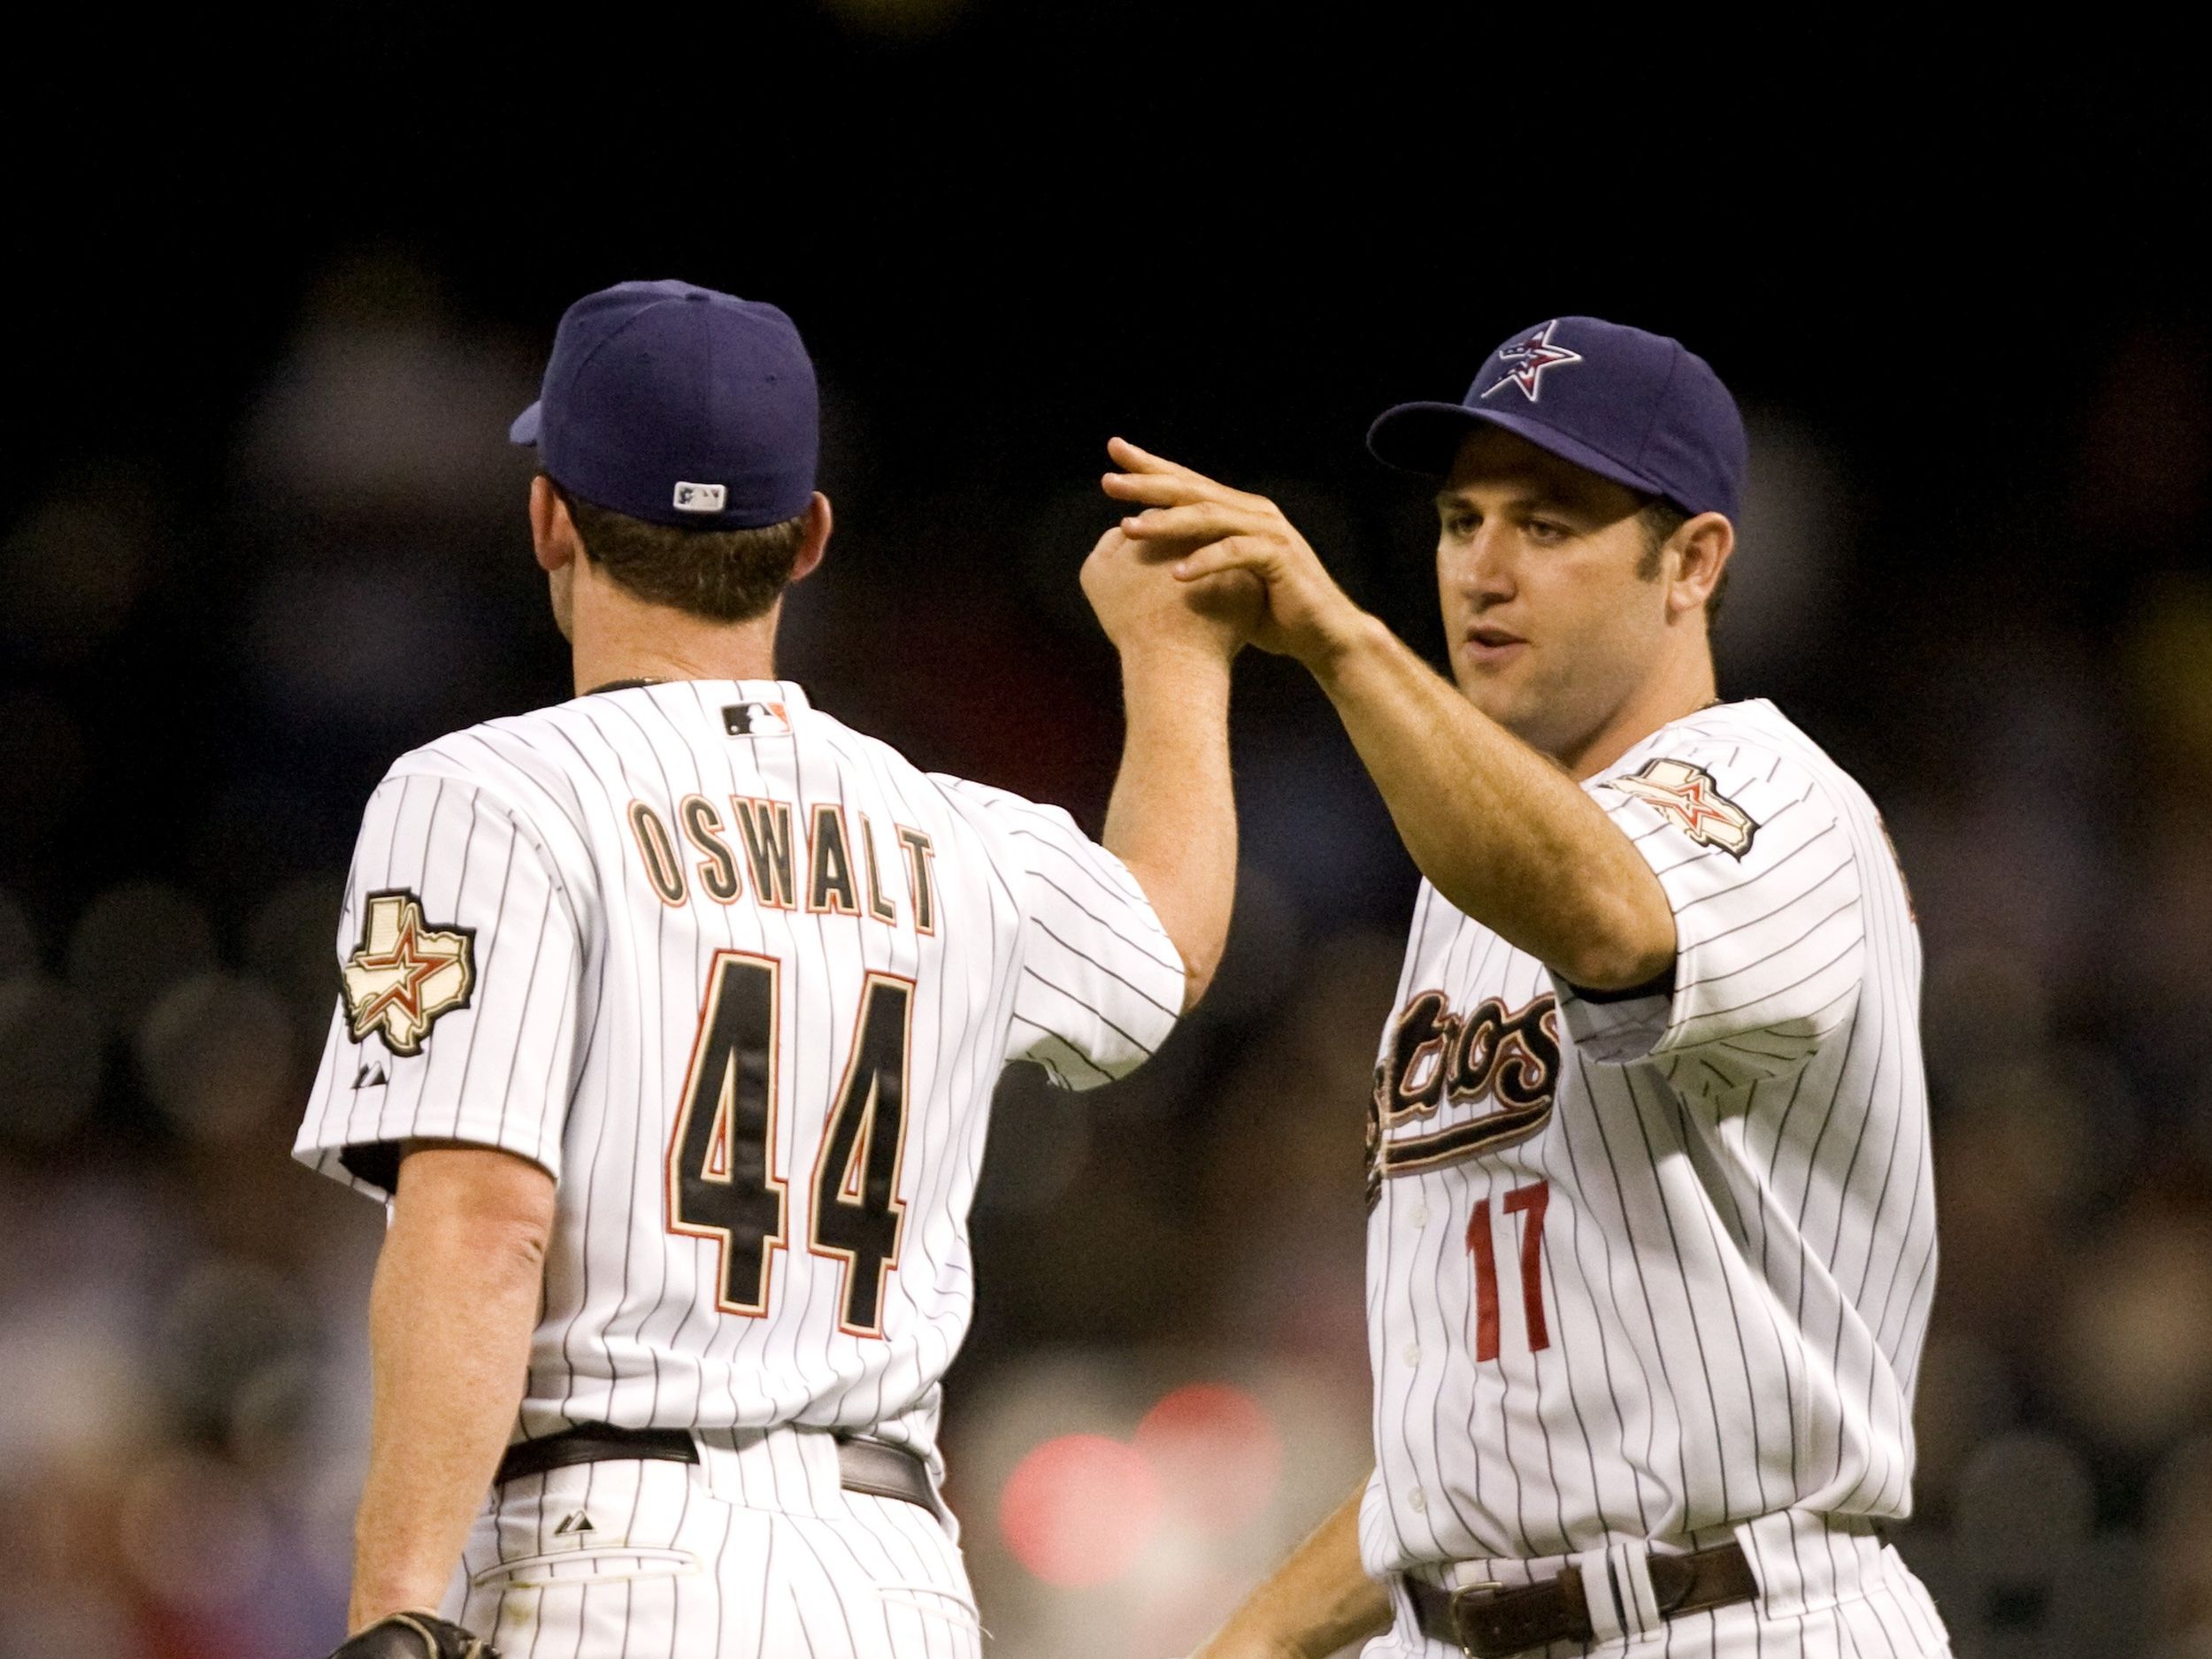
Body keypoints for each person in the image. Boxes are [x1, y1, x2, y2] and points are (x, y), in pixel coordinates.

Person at [293, 279, 1253, 1658]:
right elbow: (1167, 946)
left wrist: (394, 1607)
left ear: (549, 516)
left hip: (610, 1560)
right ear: (805, 539)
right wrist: (1177, 655)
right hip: (893, 1577)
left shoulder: (488, 794)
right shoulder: (950, 828)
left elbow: (482, 1223)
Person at [1094, 317, 1951, 1658]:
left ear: (1695, 562)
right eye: (1458, 519)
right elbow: (1486, 1462)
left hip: (1739, 1616)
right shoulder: (1468, 882)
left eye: (1548, 527)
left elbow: (1609, 912)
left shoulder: (1781, 800)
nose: (1482, 571)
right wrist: (1255, 1639)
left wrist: (1337, 641)